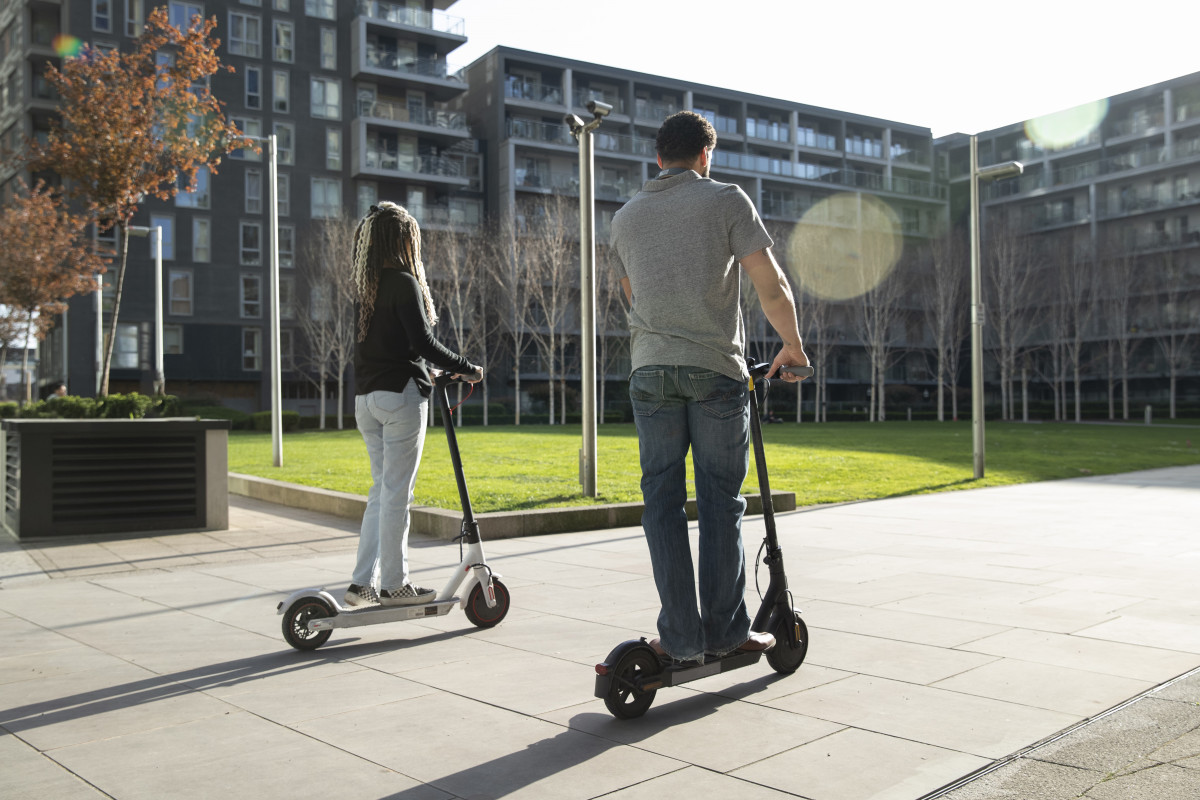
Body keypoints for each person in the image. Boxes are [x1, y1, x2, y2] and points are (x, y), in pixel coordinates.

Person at [610, 111, 810, 664]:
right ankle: (724, 631)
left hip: (649, 373)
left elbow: (631, 294)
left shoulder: (624, 217)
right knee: (720, 502)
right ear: (706, 155)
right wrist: (791, 346)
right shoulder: (726, 199)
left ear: (658, 158)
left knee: (662, 504)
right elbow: (771, 284)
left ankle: (679, 635)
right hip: (715, 372)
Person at [347, 201, 483, 608]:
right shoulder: (403, 282)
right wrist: (468, 367)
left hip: (366, 401)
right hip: (400, 399)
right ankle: (393, 584)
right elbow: (423, 343)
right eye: (410, 236)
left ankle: (360, 585)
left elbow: (394, 346)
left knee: (380, 492)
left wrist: (429, 369)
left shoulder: (366, 288)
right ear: (401, 239)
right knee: (397, 494)